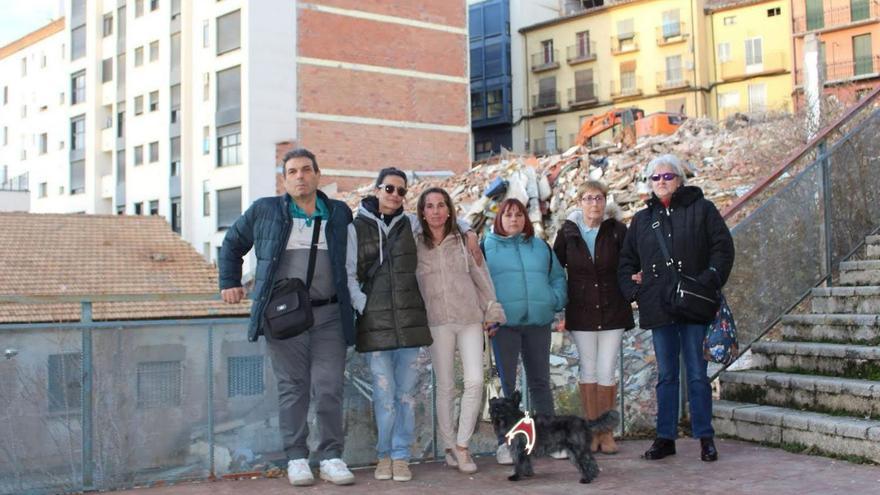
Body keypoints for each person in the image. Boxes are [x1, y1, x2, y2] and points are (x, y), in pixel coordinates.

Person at [218, 148, 356, 486]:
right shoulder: (265, 211)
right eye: (292, 171)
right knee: (293, 387)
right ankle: (296, 457)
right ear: (284, 179)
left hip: (330, 315)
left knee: (328, 386)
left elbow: (354, 258)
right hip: (284, 317)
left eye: (306, 170)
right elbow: (232, 243)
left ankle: (331, 456)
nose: (300, 176)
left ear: (317, 175)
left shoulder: (338, 213)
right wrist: (230, 282)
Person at [346, 168, 481, 481]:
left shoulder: (410, 223)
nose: (395, 195)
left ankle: (401, 456)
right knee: (384, 397)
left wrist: (470, 230)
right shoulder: (357, 227)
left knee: (405, 396)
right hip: (376, 325)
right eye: (389, 188)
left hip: (409, 326)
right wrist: (364, 305)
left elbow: (445, 220)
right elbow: (349, 273)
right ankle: (384, 456)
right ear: (377, 189)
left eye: (401, 191)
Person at [618, 154, 734, 463]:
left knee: (697, 373)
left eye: (667, 176)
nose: (661, 182)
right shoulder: (642, 221)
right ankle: (665, 437)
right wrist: (634, 289)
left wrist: (710, 278)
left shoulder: (702, 209)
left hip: (694, 305)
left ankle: (705, 437)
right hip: (659, 307)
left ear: (680, 179)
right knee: (666, 375)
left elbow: (723, 249)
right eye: (655, 178)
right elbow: (626, 262)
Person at [414, 187, 506, 474]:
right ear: (422, 212)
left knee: (475, 382)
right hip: (436, 322)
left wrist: (491, 310)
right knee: (446, 387)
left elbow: (482, 277)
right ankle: (449, 446)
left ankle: (463, 446)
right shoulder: (415, 243)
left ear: (450, 210)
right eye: (430, 206)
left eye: (441, 205)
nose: (436, 211)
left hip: (469, 319)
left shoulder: (464, 241)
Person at [482, 198, 567, 464]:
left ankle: (549, 440)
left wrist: (554, 300)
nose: (514, 220)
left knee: (540, 382)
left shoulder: (540, 246)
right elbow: (478, 282)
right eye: (508, 215)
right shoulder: (487, 247)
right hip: (504, 326)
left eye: (519, 215)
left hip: (538, 324)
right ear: (499, 219)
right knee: (506, 386)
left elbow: (557, 278)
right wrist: (488, 313)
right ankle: (506, 444)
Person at [553, 180, 634, 455]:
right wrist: (557, 298)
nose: (594, 204)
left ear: (605, 201)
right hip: (582, 310)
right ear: (580, 202)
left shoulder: (618, 231)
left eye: (599, 198)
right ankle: (591, 431)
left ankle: (606, 432)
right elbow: (555, 267)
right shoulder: (568, 232)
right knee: (588, 370)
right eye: (588, 198)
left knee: (607, 370)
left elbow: (631, 263)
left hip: (613, 309)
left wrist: (634, 285)